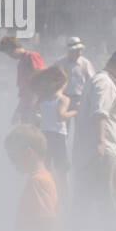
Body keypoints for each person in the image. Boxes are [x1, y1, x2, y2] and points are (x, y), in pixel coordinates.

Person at [74, 49, 116, 219]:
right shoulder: (104, 83)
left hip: (107, 151)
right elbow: (99, 113)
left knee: (103, 203)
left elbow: (115, 122)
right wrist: (101, 142)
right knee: (111, 205)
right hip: (105, 154)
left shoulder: (105, 82)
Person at [4, 124, 60, 231]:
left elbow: (46, 224)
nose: (13, 164)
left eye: (14, 157)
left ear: (28, 153)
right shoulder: (43, 178)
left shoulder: (38, 181)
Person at [31, 64, 76, 198]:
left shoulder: (43, 98)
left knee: (46, 167)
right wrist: (75, 111)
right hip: (58, 137)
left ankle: (47, 194)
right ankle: (64, 198)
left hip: (44, 135)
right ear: (63, 83)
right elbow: (61, 116)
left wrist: (42, 119)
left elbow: (35, 114)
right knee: (63, 170)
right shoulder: (63, 99)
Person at [0, 34, 44, 123]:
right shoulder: (20, 63)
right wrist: (18, 111)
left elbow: (42, 79)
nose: (9, 56)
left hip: (35, 106)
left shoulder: (31, 56)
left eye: (9, 53)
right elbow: (23, 92)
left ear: (14, 48)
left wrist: (37, 106)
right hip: (27, 107)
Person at [56, 36, 95, 114]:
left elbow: (91, 82)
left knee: (80, 123)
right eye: (76, 51)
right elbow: (53, 79)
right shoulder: (60, 63)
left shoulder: (85, 63)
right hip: (63, 97)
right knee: (63, 122)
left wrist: (87, 98)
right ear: (70, 51)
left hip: (79, 98)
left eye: (80, 50)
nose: (79, 53)